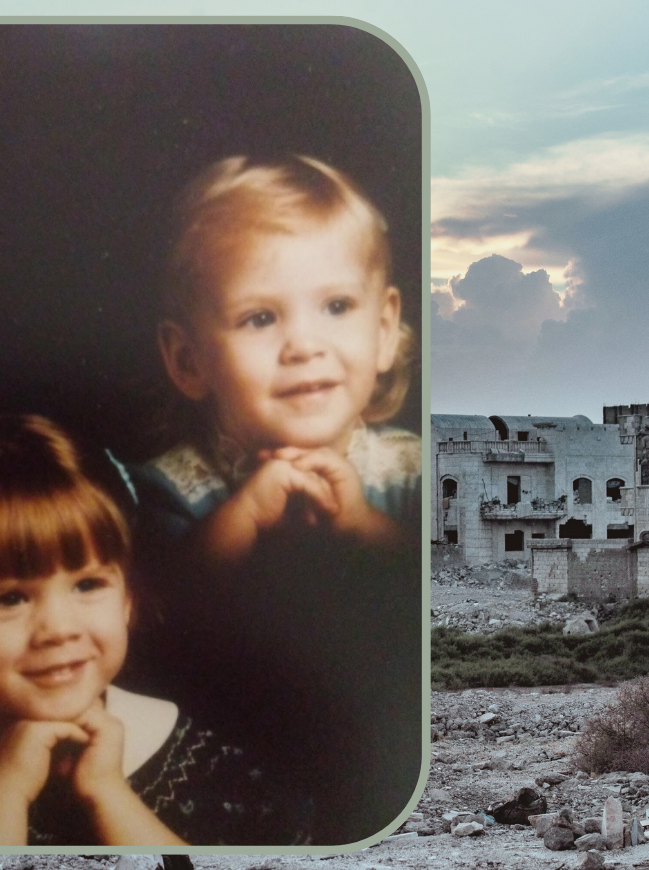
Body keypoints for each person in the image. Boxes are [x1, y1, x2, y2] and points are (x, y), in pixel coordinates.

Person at [122, 155, 422, 843]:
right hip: (218, 738)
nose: (305, 345)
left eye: (337, 307)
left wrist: (363, 525)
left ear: (383, 329)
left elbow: (418, 583)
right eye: (261, 318)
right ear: (188, 360)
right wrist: (243, 517)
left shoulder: (407, 472)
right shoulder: (173, 484)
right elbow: (159, 606)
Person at [0, 414, 310, 846]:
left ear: (127, 599)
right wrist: (2, 793)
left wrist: (108, 795)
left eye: (88, 585)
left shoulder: (197, 760)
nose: (59, 629)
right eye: (10, 598)